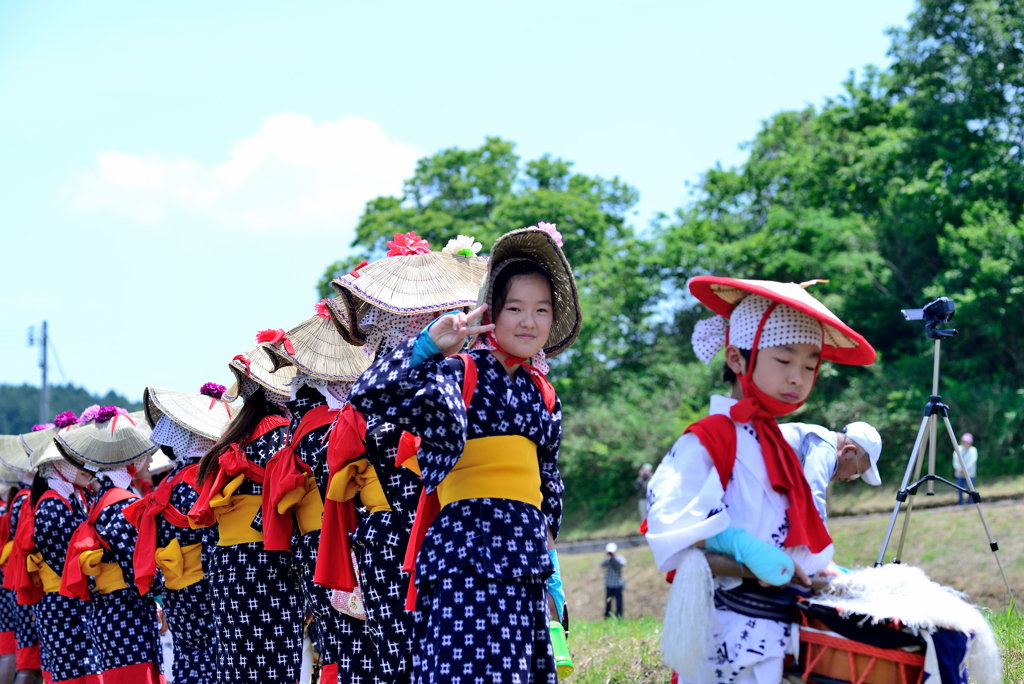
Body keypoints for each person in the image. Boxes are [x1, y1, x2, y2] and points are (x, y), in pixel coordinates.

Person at [349, 223, 580, 684]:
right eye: (515, 308)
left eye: (541, 309)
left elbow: (548, 485)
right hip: (464, 557)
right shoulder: (459, 372)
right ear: (490, 311)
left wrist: (549, 571)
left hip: (526, 561)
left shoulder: (544, 394)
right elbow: (369, 394)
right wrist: (428, 346)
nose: (529, 321)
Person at [644, 276, 876, 684]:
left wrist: (830, 576)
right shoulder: (709, 438)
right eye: (784, 361)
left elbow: (794, 543)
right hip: (720, 636)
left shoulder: (779, 445)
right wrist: (740, 548)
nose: (797, 378)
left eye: (810, 365)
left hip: (776, 635)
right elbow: (670, 527)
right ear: (736, 358)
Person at [313, 233, 486, 684]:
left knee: (426, 661)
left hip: (442, 530)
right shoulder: (401, 383)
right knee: (423, 660)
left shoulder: (462, 376)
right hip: (409, 536)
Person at [190, 344, 304, 684]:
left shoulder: (230, 439)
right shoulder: (282, 433)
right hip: (267, 560)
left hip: (227, 565)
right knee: (275, 666)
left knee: (237, 666)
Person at [126, 383, 234, 684]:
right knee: (216, 662)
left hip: (176, 591)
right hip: (208, 586)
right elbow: (216, 538)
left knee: (187, 660)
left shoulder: (167, 484)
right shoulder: (209, 479)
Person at [55, 407, 164, 683]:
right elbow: (136, 565)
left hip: (109, 612)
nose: (150, 457)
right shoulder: (123, 503)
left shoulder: (103, 499)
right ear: (127, 459)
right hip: (126, 616)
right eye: (143, 451)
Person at [780, 421, 882, 525]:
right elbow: (813, 502)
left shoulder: (821, 442)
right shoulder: (825, 448)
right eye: (856, 472)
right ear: (848, 451)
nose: (848, 479)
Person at [601, 542, 626, 619]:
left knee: (619, 603)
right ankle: (607, 617)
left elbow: (623, 564)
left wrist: (614, 558)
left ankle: (619, 617)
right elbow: (602, 565)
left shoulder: (619, 558)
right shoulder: (607, 559)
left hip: (618, 584)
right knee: (608, 603)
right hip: (609, 584)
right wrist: (607, 558)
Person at [953, 433, 978, 505]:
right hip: (959, 474)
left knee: (970, 489)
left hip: (970, 473)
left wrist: (965, 470)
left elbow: (972, 461)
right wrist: (960, 469)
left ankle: (971, 503)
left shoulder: (973, 450)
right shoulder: (958, 448)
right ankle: (960, 503)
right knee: (959, 490)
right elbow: (955, 460)